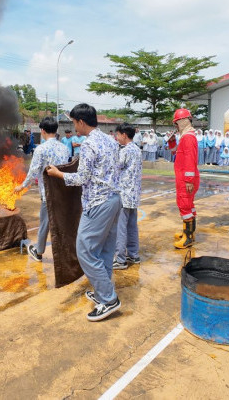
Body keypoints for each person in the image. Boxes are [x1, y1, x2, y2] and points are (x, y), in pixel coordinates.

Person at [46, 104, 122, 322]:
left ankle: (109, 299)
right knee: (105, 251)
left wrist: (58, 174)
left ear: (80, 122)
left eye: (74, 122)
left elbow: (81, 178)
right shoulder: (110, 140)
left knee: (86, 251)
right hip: (114, 200)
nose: (73, 127)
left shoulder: (88, 145)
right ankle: (102, 293)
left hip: (98, 203)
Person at [15, 117, 70, 262]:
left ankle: (38, 252)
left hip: (48, 193)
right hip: (63, 192)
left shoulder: (41, 149)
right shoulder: (64, 147)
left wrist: (22, 186)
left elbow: (33, 171)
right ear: (56, 130)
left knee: (45, 222)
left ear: (43, 131)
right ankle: (65, 250)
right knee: (62, 222)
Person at [113, 123, 142, 270]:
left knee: (121, 228)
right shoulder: (137, 149)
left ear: (124, 134)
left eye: (117, 135)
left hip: (124, 195)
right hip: (134, 195)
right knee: (132, 226)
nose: (117, 138)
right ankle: (133, 254)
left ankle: (120, 259)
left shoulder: (125, 151)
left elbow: (115, 168)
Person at [171, 108, 199, 249]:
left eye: (176, 123)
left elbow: (189, 158)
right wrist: (171, 142)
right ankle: (188, 233)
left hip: (185, 177)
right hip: (184, 176)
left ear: (183, 121)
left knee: (184, 205)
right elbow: (176, 153)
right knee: (188, 205)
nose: (176, 126)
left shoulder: (188, 137)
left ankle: (188, 238)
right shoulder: (186, 136)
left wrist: (188, 180)